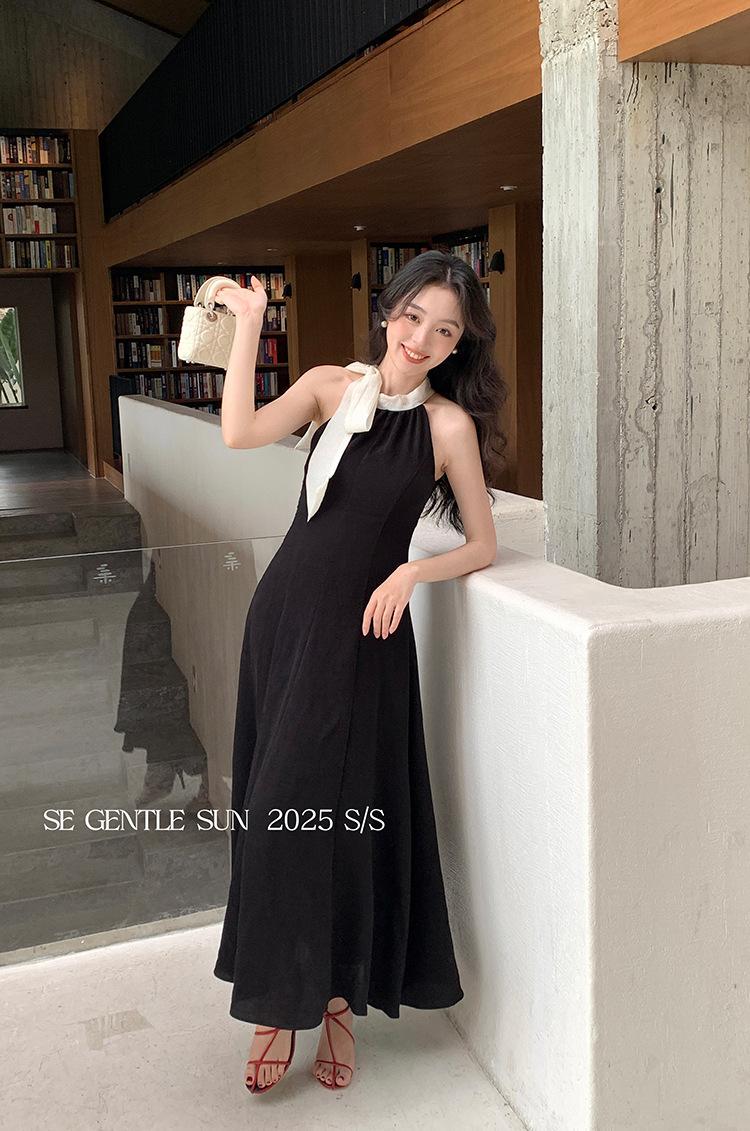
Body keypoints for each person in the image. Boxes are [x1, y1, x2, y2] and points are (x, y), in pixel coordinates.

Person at [213, 250, 507, 1094]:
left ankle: (338, 999)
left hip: (364, 639)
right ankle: (278, 1005)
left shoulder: (447, 428)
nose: (422, 338)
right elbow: (238, 432)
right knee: (274, 812)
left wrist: (412, 571)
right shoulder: (327, 387)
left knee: (345, 821)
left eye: (444, 330)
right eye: (414, 317)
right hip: (283, 620)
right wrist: (251, 326)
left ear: (458, 344)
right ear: (388, 311)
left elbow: (482, 544)